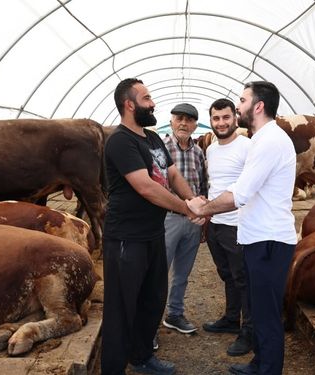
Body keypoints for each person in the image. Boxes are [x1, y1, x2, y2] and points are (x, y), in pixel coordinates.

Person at [187, 81, 297, 375]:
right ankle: (259, 363)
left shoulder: (269, 141)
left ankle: (268, 369)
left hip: (270, 240)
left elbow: (240, 193)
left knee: (268, 313)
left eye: (243, 100)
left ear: (258, 106)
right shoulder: (263, 139)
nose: (238, 106)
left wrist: (204, 209)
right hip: (258, 237)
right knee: (260, 309)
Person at [101, 78, 204, 375]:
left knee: (152, 299)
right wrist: (187, 209)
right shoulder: (120, 141)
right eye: (147, 98)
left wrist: (194, 199)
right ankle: (113, 368)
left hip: (152, 235)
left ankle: (142, 357)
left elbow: (171, 175)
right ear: (129, 104)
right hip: (126, 239)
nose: (153, 103)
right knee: (121, 309)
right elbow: (145, 187)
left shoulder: (153, 139)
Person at [201, 98, 253, 357]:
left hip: (238, 225)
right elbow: (215, 184)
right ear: (210, 121)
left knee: (243, 279)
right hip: (216, 224)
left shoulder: (248, 147)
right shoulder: (211, 148)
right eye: (216, 118)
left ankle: (249, 332)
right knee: (227, 275)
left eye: (225, 117)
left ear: (235, 118)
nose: (221, 123)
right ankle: (232, 319)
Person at [161, 103, 208, 335]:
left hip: (192, 221)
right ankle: (149, 325)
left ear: (195, 125)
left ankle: (175, 314)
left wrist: (203, 217)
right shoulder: (160, 148)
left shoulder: (198, 152)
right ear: (171, 121)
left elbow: (201, 185)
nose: (183, 123)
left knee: (182, 273)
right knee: (159, 272)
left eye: (189, 120)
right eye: (179, 118)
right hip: (167, 218)